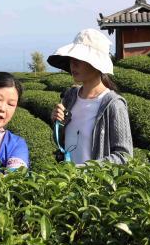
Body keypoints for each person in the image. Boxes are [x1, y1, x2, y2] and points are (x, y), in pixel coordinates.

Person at [47, 29, 133, 165]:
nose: (73, 65)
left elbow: (124, 156)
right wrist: (59, 124)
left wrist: (85, 168)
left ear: (96, 63)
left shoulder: (113, 104)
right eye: (71, 60)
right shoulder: (70, 97)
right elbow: (66, 142)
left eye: (79, 60)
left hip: (94, 184)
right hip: (68, 182)